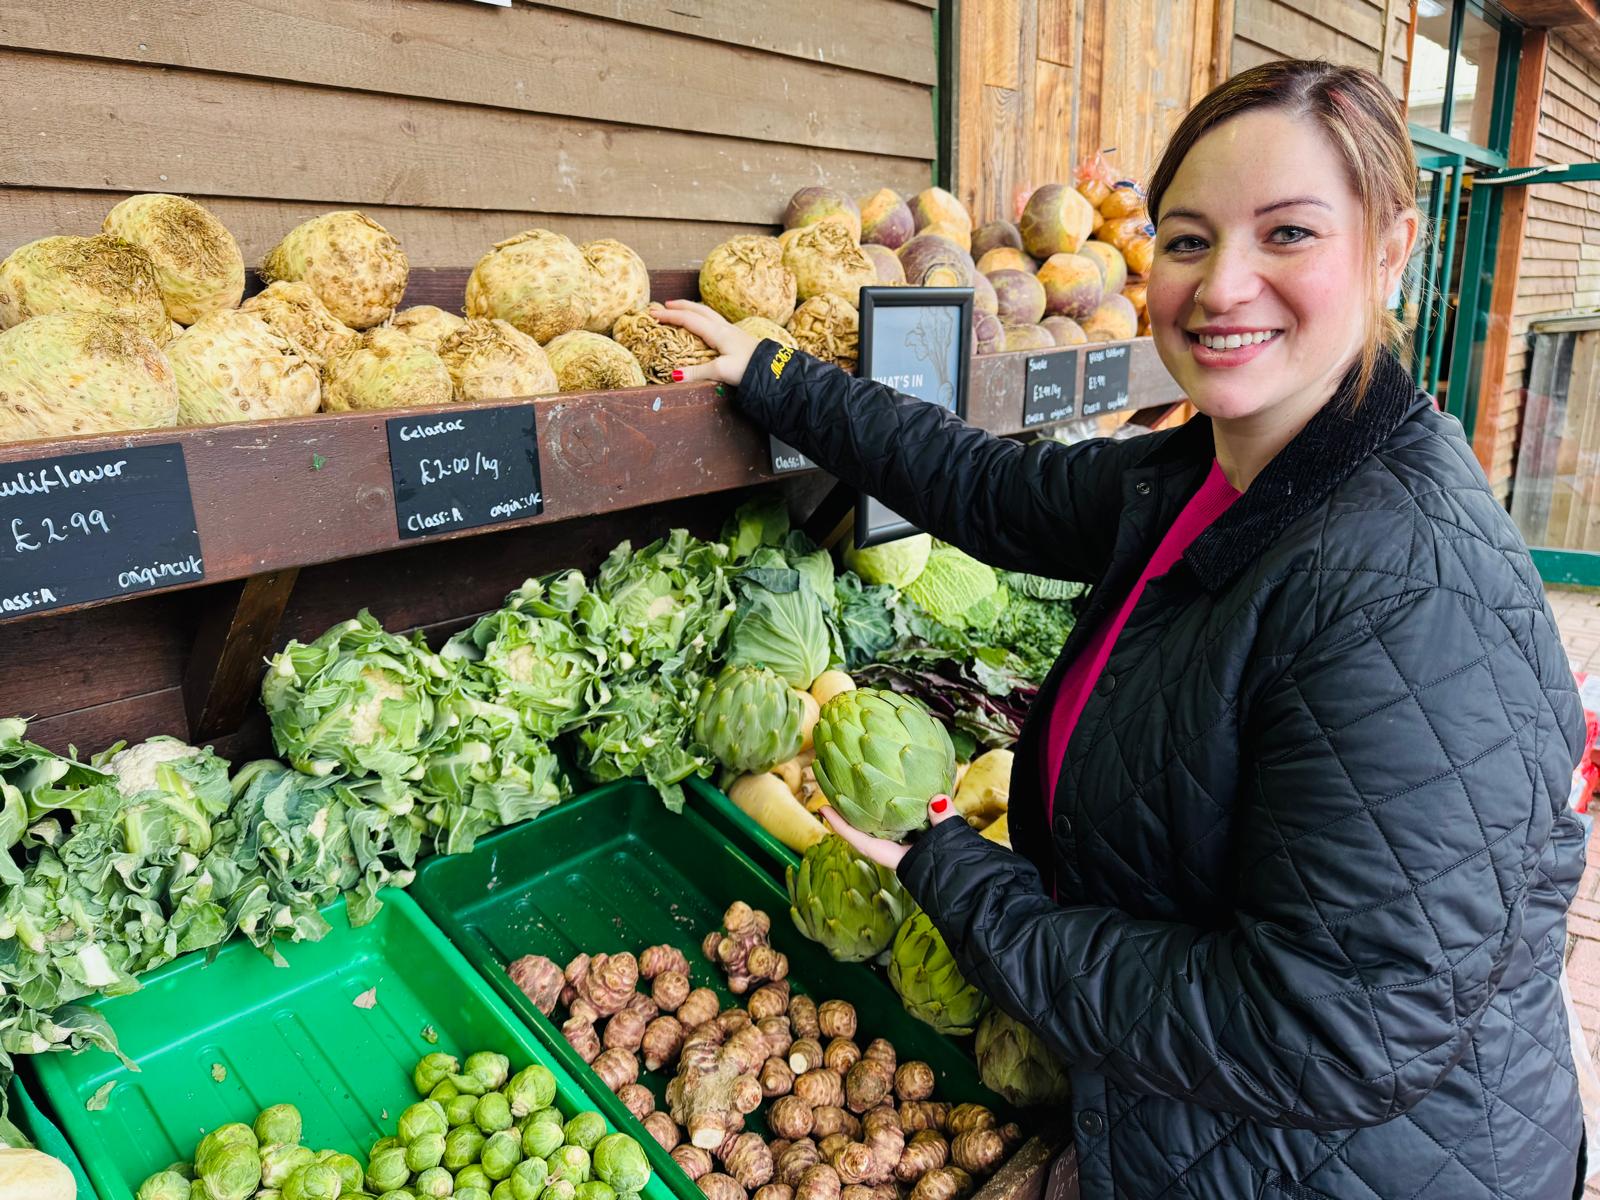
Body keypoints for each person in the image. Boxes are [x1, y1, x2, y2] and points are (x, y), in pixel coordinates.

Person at [655, 58, 1588, 1200]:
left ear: (1390, 248)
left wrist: (962, 879)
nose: (1221, 285)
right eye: (1188, 241)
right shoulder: (1217, 470)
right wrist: (777, 375)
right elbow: (992, 490)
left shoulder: (1409, 592)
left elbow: (1319, 1034)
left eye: (1287, 234)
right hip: (1203, 1130)